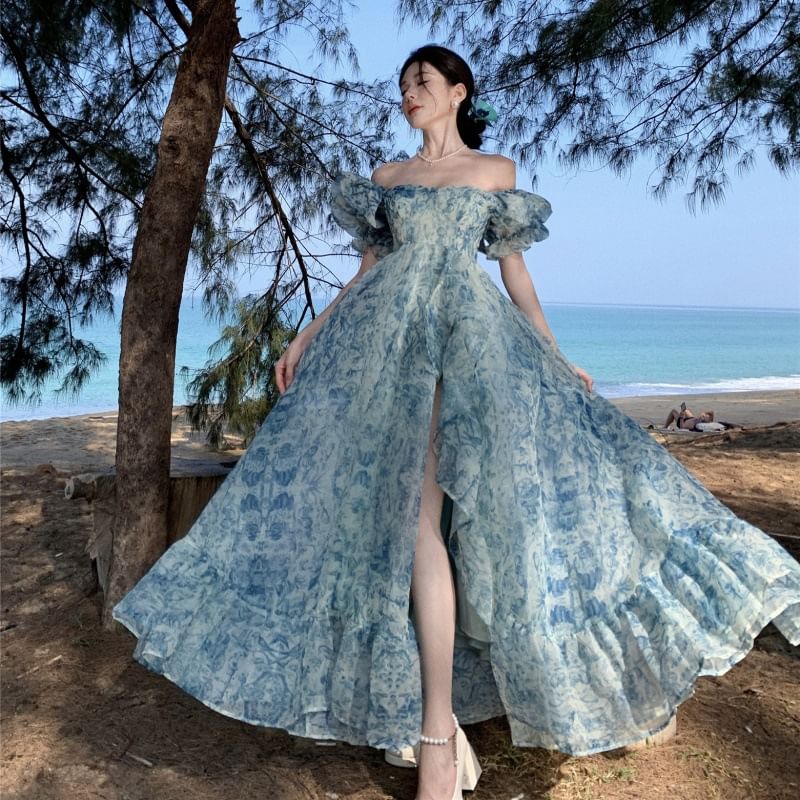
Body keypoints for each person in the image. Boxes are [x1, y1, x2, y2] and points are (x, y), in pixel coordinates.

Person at [112, 44, 800, 800]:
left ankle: (439, 730)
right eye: (404, 84)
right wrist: (305, 337)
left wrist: (553, 353)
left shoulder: (494, 172)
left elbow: (515, 273)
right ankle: (432, 726)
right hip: (386, 346)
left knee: (457, 516)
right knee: (403, 520)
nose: (410, 94)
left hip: (466, 345)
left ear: (458, 92)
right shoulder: (387, 179)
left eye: (423, 82)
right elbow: (367, 273)